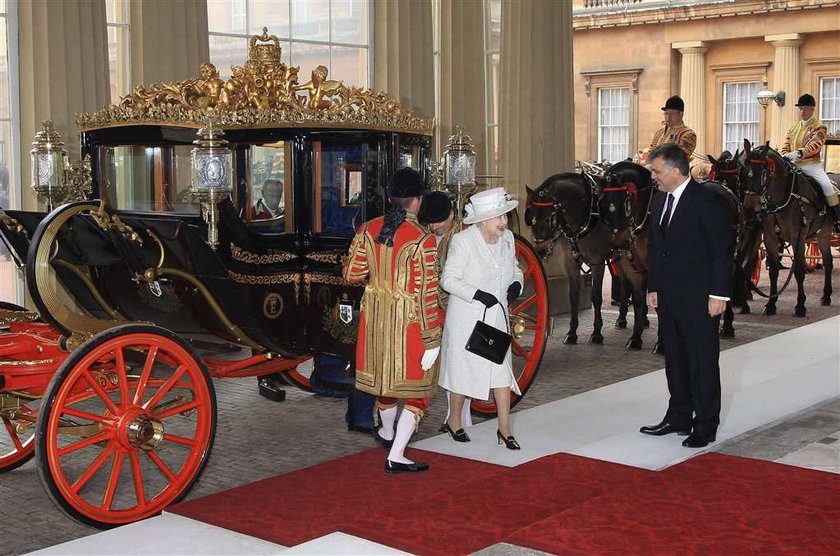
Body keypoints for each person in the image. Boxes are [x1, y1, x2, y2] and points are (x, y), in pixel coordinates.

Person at [342, 167, 443, 474]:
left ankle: (386, 433)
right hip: (409, 325)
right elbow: (427, 296)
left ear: (389, 198)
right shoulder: (423, 240)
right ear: (417, 201)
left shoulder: (367, 228)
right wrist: (432, 339)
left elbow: (351, 274)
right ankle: (396, 454)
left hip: (374, 323)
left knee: (385, 384)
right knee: (419, 392)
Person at [643, 143, 733, 449]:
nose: (653, 176)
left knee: (702, 360)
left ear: (675, 170)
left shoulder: (705, 200)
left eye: (656, 171)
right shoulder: (658, 202)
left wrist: (719, 294)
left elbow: (721, 251)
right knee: (676, 359)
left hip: (700, 296)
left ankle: (705, 424)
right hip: (669, 296)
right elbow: (655, 248)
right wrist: (653, 287)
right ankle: (678, 415)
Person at [438, 187, 524, 450]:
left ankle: (505, 430)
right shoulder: (464, 242)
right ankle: (453, 421)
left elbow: (515, 270)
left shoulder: (508, 239)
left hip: (497, 320)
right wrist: (477, 294)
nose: (503, 222)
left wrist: (516, 285)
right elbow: (448, 280)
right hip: (468, 320)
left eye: (505, 217)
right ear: (483, 220)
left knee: (501, 373)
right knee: (464, 374)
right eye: (498, 217)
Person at [418, 191, 475, 436]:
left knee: (459, 366)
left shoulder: (463, 237)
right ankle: (458, 418)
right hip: (436, 309)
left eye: (439, 221)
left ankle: (460, 419)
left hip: (459, 307)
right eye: (430, 222)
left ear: (452, 215)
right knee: (451, 368)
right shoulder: (428, 236)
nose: (434, 227)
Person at [780, 93, 840, 232]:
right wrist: (785, 155)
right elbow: (786, 145)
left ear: (812, 109)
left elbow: (816, 144)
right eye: (800, 108)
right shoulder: (793, 128)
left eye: (805, 108)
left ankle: (836, 219)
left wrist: (800, 153)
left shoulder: (819, 127)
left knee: (828, 187)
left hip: (811, 166)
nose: (802, 111)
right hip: (793, 166)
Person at [646, 95, 697, 160]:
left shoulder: (688, 134)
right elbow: (650, 154)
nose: (668, 116)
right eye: (666, 113)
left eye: (672, 113)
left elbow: (680, 158)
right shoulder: (659, 133)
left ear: (681, 114)